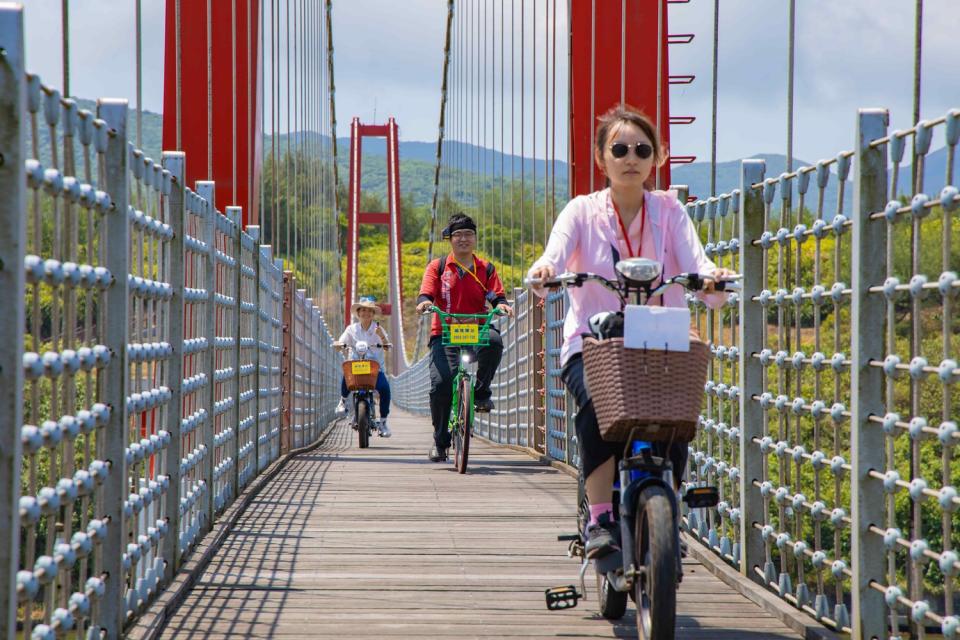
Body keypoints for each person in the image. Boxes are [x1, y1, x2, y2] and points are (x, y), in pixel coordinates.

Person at [527, 104, 733, 560]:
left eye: (642, 149)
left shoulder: (670, 212)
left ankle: (669, 515)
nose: (630, 157)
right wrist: (546, 270)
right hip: (594, 343)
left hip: (661, 341)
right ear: (602, 159)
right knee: (598, 407)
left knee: (675, 419)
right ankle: (600, 514)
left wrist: (710, 276)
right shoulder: (581, 211)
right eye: (618, 148)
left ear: (657, 157)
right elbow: (555, 254)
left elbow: (695, 260)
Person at [415, 213, 514, 462]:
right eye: (458, 235)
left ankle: (480, 393)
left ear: (475, 238)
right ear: (450, 239)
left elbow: (496, 296)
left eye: (468, 234)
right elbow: (425, 293)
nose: (463, 239)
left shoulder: (486, 269)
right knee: (441, 385)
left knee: (494, 342)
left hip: (477, 329)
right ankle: (440, 441)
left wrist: (502, 305)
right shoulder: (438, 267)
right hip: (445, 333)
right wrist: (425, 303)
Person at [334, 297, 393, 438]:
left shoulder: (378, 329)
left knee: (385, 389)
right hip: (356, 365)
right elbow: (341, 342)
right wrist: (338, 344)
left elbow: (387, 348)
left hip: (373, 368)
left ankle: (383, 422)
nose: (366, 313)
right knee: (347, 371)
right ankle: (342, 401)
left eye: (369, 311)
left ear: (373, 314)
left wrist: (382, 338)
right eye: (363, 310)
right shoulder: (351, 329)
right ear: (358, 313)